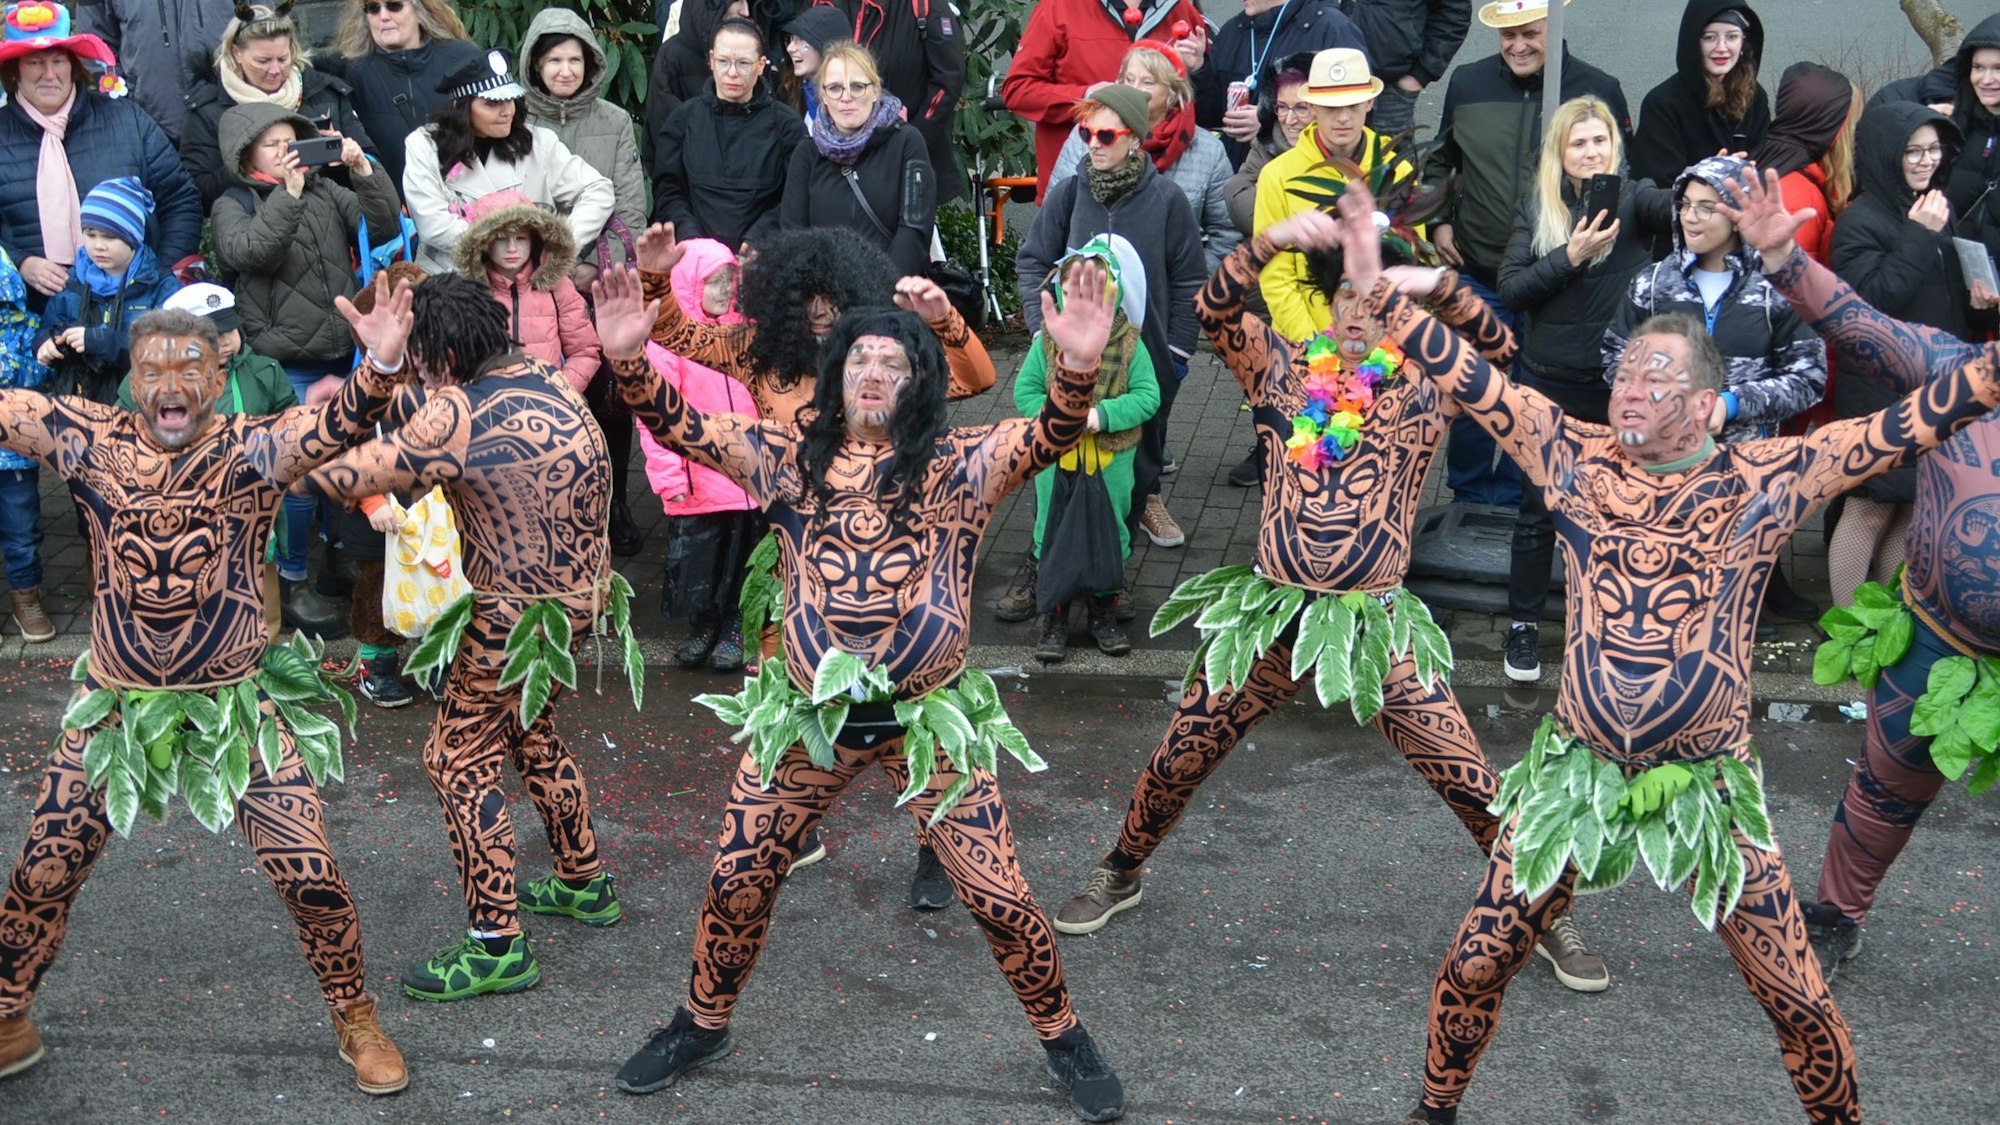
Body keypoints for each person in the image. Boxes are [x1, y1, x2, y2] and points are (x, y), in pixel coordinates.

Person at [1361, 169, 2000, 1125]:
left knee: (1798, 999)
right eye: (1625, 373)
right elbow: (1474, 380)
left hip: (1709, 783)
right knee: (1475, 961)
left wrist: (1985, 375)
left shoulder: (1770, 475)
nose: (1629, 390)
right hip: (1574, 772)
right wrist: (1387, 294)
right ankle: (1433, 1110)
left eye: (1657, 379)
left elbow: (1903, 423)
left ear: (1707, 404)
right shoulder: (1571, 454)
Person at [599, 254, 1130, 1123]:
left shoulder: (964, 462)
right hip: (808, 720)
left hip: (931, 723)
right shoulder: (784, 459)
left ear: (920, 382)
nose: (875, 372)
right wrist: (628, 355)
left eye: (894, 361)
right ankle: (701, 1021)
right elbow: (682, 423)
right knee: (737, 877)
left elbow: (1050, 434)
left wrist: (1075, 366)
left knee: (1001, 898)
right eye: (860, 360)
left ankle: (1064, 1034)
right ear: (836, 377)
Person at [1049, 188, 1608, 992]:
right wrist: (1270, 238)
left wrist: (1435, 283)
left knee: (1470, 780)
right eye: (1346, 293)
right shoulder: (1278, 367)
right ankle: (1121, 868)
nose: (1357, 311)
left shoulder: (1428, 386)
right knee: (1180, 753)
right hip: (1271, 615)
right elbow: (1211, 311)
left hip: (1377, 623)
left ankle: (1546, 911)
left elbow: (1502, 349)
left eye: (1375, 297)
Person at [0, 285, 420, 1095]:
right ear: (131, 379)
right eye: (152, 370)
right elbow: (8, 409)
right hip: (117, 705)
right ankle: (8, 1012)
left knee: (311, 872)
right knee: (42, 868)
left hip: (234, 702)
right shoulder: (86, 437)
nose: (170, 385)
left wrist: (381, 361)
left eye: (188, 368)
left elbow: (338, 423)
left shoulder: (254, 447)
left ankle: (356, 1015)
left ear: (219, 378)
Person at [636, 221, 997, 900]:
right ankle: (793, 823)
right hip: (797, 553)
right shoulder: (759, 355)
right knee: (782, 680)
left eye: (833, 296)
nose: (822, 311)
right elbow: (676, 334)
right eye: (807, 298)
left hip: (894, 552)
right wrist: (656, 280)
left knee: (921, 703)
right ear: (783, 299)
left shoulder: (887, 356)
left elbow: (979, 377)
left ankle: (937, 844)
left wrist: (944, 320)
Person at [300, 272, 631, 1001]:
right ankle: (583, 879)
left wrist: (278, 456)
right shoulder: (544, 377)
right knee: (531, 732)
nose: (418, 375)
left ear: (445, 356)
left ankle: (496, 945)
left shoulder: (458, 410)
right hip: (577, 605)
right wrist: (385, 379)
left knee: (455, 759)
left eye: (421, 361)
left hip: (510, 617)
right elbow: (433, 424)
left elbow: (358, 473)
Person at [1603, 154, 1827, 637]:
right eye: (1685, 204)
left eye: (1707, 207)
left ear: (1736, 214)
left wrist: (1733, 404)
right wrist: (1653, 407)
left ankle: (1734, 626)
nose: (1691, 217)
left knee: (1735, 575)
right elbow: (1614, 358)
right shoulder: (1653, 283)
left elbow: (1809, 377)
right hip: (1665, 465)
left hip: (1744, 465)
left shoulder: (1775, 288)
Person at [1425, 0, 1629, 511]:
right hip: (1478, 270)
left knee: (1535, 400)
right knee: (1474, 388)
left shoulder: (1596, 88)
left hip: (1558, 282)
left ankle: (1524, 495)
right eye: (1507, 35)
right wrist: (1438, 219)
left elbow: (1625, 174)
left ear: (1552, 28)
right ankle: (1471, 493)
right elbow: (1441, 161)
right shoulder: (1467, 83)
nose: (1518, 46)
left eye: (1530, 33)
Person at [1496, 95, 1673, 683]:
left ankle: (1604, 624)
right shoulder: (1537, 204)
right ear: (1560, 151)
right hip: (1546, 385)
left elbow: (1672, 207)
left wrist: (1706, 188)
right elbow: (1512, 288)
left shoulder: (1633, 197)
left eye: (1601, 141)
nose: (1592, 152)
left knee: (1616, 510)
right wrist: (1569, 256)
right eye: (1580, 143)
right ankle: (1524, 627)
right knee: (1537, 511)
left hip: (1615, 390)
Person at [211, 102, 402, 637]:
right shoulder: (233, 203)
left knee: (354, 459)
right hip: (285, 360)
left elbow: (382, 226)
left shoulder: (323, 190)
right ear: (245, 155)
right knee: (297, 476)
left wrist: (364, 171)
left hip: (343, 353)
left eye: (289, 140)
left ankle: (335, 562)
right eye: (271, 144)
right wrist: (288, 195)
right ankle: (292, 580)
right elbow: (251, 253)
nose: (284, 151)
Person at [1019, 85, 1204, 556]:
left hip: (1146, 353)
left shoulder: (1167, 200)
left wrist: (1177, 351)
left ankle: (1130, 526)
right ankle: (1055, 550)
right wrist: (1043, 331)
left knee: (1142, 446)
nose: (1093, 145)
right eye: (1087, 134)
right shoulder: (1068, 195)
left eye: (1106, 135)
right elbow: (1034, 260)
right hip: (1071, 356)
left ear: (1134, 138)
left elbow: (1189, 279)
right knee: (1064, 453)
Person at [1822, 104, 1976, 608]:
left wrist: (1978, 302)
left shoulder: (1931, 206)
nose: (1926, 161)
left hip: (1930, 386)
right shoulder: (1859, 221)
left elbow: (1937, 295)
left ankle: (1890, 618)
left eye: (1933, 150)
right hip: (1879, 390)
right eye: (1913, 151)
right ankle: (1847, 627)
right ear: (1887, 154)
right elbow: (1873, 303)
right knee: (1868, 506)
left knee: (1909, 505)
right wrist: (1919, 234)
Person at [115, 281, 300, 643]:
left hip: (249, 502)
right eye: (213, 335)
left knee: (257, 586)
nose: (227, 340)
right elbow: (122, 430)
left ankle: (259, 655)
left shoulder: (264, 371)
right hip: (179, 503)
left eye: (230, 329)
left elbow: (291, 423)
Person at [0, 2, 203, 306]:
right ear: (15, 71)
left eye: (58, 61)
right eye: (35, 63)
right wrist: (19, 262)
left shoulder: (128, 120)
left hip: (135, 306)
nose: (49, 74)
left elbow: (180, 199)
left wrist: (157, 276)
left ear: (73, 66)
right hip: (32, 311)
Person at [1022, 236, 1159, 662]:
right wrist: (1055, 417)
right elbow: (1026, 391)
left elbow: (1148, 396)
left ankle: (1103, 612)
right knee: (1052, 528)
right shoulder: (1047, 341)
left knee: (1111, 532)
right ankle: (1055, 616)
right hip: (1055, 458)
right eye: (1073, 288)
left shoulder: (1131, 343)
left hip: (1111, 458)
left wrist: (1103, 415)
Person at [637, 237, 761, 671]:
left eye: (730, 280)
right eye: (714, 282)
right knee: (702, 562)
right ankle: (706, 624)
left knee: (745, 558)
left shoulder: (745, 331)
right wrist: (670, 478)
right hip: (699, 479)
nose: (726, 290)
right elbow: (655, 418)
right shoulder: (667, 343)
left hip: (747, 476)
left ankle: (736, 625)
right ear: (689, 284)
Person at [402, 48, 615, 276]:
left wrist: (561, 242)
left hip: (528, 282)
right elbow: (432, 225)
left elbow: (598, 189)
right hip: (451, 279)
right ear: (463, 108)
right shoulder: (425, 145)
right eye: (492, 103)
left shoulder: (538, 142)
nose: (507, 112)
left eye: (510, 100)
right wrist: (503, 246)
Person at [1253, 48, 1417, 344]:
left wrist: (1383, 341)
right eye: (1330, 107)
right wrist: (1315, 344)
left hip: (1380, 346)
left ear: (1370, 102)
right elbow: (1275, 275)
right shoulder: (1277, 176)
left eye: (1352, 105)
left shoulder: (1398, 170)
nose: (1342, 118)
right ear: (1313, 107)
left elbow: (1410, 261)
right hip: (1305, 345)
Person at [1047, 40, 1241, 272]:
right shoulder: (1087, 135)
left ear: (1173, 92)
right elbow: (1053, 220)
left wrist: (1188, 280)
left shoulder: (1208, 150)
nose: (1134, 89)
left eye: (1148, 82)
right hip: (1091, 280)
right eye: (1129, 80)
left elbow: (1227, 235)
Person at [178, 3, 376, 209]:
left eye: (282, 59)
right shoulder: (208, 112)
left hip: (331, 217)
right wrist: (246, 162)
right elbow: (197, 191)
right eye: (263, 61)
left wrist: (346, 158)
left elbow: (373, 165)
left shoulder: (324, 94)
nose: (275, 70)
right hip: (251, 222)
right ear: (236, 53)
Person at [1001, 0, 1205, 193]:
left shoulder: (1180, 9)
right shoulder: (1058, 7)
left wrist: (1199, 68)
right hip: (1079, 182)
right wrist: (1087, 97)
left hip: (1166, 183)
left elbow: (1210, 107)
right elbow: (1018, 90)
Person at [780, 41, 937, 276]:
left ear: (875, 90)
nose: (846, 97)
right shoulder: (807, 153)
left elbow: (914, 230)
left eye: (857, 86)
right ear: (823, 96)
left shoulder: (906, 142)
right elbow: (794, 235)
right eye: (835, 88)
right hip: (823, 290)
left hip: (891, 286)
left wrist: (882, 287)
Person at [518, 6, 649, 283]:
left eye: (575, 60)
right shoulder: (514, 120)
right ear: (537, 64)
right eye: (554, 60)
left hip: (597, 273)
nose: (565, 71)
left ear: (588, 63)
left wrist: (597, 265)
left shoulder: (615, 121)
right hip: (525, 270)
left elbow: (631, 209)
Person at [651, 18, 804, 251]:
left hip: (764, 254)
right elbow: (668, 191)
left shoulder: (787, 126)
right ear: (711, 61)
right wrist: (690, 237)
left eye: (743, 63)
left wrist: (760, 239)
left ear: (761, 65)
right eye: (723, 62)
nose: (732, 73)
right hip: (695, 254)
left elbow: (796, 197)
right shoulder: (682, 121)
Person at [33, 177, 182, 405]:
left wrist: (106, 342)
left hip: (140, 403)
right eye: (90, 234)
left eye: (110, 237)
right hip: (77, 399)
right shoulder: (71, 281)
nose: (98, 246)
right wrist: (46, 343)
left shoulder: (160, 285)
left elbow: (173, 350)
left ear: (134, 237)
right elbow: (48, 326)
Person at [809, 0, 966, 203]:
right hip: (834, 160)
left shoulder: (923, 6)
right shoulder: (823, 3)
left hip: (904, 161)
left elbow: (948, 78)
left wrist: (912, 142)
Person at [454, 189, 602, 393]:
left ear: (534, 239)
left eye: (520, 238)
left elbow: (584, 351)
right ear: (484, 243)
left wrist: (560, 393)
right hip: (490, 406)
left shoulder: (556, 287)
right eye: (501, 238)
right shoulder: (470, 294)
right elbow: (454, 360)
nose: (511, 248)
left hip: (551, 404)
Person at [323, 0, 483, 188]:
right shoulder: (349, 74)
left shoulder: (462, 59)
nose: (383, 16)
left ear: (420, 10)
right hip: (393, 201)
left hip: (467, 197)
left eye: (394, 5)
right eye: (373, 8)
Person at [1193, 0, 1366, 166]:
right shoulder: (1232, 31)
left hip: (1306, 173)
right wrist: (1198, 68)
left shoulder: (1332, 28)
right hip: (1240, 171)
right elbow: (1210, 116)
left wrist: (1268, 123)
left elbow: (1354, 116)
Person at [1629, 0, 1770, 188]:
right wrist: (1704, 178)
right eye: (1710, 37)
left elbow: (1765, 167)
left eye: (1732, 36)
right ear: (1693, 43)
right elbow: (1651, 188)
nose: (1722, 47)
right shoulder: (1662, 104)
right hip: (1684, 206)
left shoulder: (1754, 95)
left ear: (1743, 43)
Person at [68, 0, 230, 141]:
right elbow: (95, 47)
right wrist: (123, 109)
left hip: (226, 118)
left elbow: (246, 23)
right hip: (146, 125)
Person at [1748, 62, 1856, 268]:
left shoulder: (1766, 160)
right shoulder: (1801, 198)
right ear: (1833, 131)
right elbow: (1794, 282)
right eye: (1851, 124)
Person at [0, 249, 51, 643]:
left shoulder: (22, 326)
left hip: (14, 451)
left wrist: (22, 363)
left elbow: (40, 376)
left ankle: (26, 596)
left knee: (22, 531)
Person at [1342, 0, 1472, 137]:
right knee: (1333, 147)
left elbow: (1455, 12)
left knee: (1389, 149)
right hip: (1334, 78)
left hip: (1391, 87)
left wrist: (1421, 74)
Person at [643, 0, 749, 162]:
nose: (746, 11)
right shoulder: (671, 57)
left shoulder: (752, 52)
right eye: (737, 1)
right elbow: (665, 138)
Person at [1944, 13, 2000, 275]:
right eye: (1978, 67)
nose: (1985, 79)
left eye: (1998, 68)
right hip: (1959, 282)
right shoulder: (1954, 132)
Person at [777, 4, 845, 122]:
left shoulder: (854, 97)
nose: (789, 48)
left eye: (800, 40)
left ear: (826, 46)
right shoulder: (786, 93)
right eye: (790, 40)